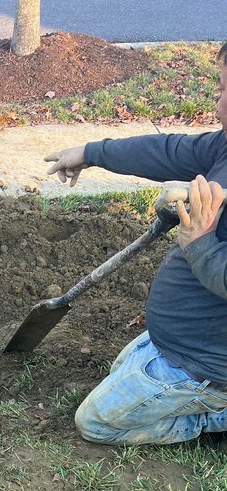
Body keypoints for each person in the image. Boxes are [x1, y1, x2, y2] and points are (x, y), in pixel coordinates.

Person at [43, 42, 227, 446]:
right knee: (118, 374)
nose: (216, 103)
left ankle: (216, 414)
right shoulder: (225, 146)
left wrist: (200, 243)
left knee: (95, 422)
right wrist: (91, 153)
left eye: (222, 90)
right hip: (176, 341)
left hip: (206, 365)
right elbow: (168, 151)